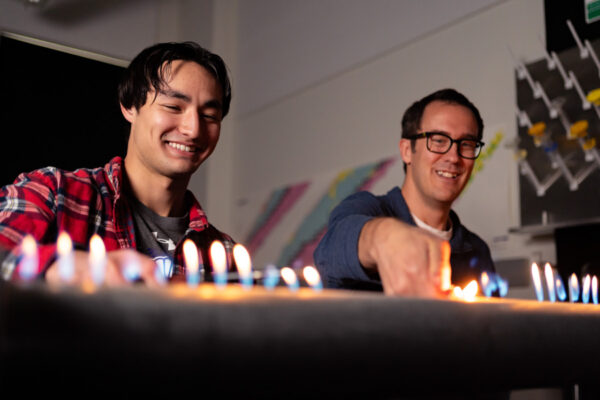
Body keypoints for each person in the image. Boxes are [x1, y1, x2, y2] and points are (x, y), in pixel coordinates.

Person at [0, 41, 233, 286]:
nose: (193, 129)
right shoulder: (52, 192)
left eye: (209, 116)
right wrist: (57, 267)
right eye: (173, 107)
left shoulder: (223, 253)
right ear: (129, 105)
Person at [314, 88, 495, 297]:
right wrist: (382, 237)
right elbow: (331, 248)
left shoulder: (477, 250)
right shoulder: (366, 209)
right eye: (438, 140)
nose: (454, 157)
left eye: (467, 144)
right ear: (407, 151)